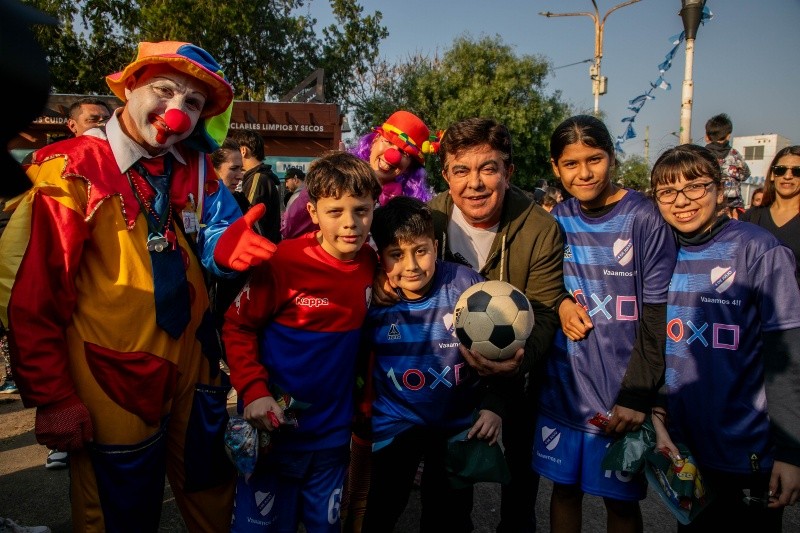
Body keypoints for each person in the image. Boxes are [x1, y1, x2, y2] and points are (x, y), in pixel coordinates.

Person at [0, 41, 278, 532]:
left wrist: (222, 248)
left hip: (195, 361)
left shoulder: (193, 168)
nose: (176, 111)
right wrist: (53, 395)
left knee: (212, 489)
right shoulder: (67, 169)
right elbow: (32, 294)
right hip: (111, 368)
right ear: (129, 87)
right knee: (118, 509)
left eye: (192, 103)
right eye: (164, 90)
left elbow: (215, 229)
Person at [375, 116, 566, 532]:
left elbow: (546, 312)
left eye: (488, 168)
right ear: (446, 174)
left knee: (516, 498)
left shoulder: (540, 230)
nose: (475, 183)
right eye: (461, 170)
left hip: (516, 378)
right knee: (437, 498)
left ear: (508, 171)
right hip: (440, 386)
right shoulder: (431, 219)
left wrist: (513, 368)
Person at [222, 150, 383, 532]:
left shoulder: (373, 265)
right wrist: (253, 389)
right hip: (272, 436)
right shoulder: (282, 261)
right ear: (312, 213)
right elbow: (236, 327)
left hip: (331, 438)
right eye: (335, 211)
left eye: (361, 210)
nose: (350, 224)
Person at [532, 115, 677, 533]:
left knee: (620, 503)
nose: (584, 172)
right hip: (566, 388)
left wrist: (636, 394)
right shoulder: (556, 217)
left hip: (620, 395)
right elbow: (546, 285)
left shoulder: (644, 218)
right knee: (564, 491)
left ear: (611, 158)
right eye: (571, 163)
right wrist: (560, 304)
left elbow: (657, 314)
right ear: (556, 168)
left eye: (594, 159)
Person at [649, 143, 800, 531]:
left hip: (747, 453)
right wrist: (658, 410)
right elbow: (669, 348)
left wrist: (791, 451)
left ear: (719, 189)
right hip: (687, 451)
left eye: (695, 187)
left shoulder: (759, 249)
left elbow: (788, 357)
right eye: (667, 191)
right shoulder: (662, 253)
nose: (681, 201)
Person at [359, 196, 503, 533]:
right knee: (382, 507)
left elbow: (499, 349)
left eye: (420, 251)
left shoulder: (466, 285)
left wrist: (493, 405)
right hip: (396, 423)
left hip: (455, 424)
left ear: (435, 246)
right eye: (396, 255)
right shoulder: (372, 296)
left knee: (449, 515)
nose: (411, 265)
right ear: (381, 258)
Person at [740, 146, 800, 286]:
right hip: (754, 305)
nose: (787, 176)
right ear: (772, 175)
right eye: (780, 170)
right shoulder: (751, 217)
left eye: (797, 171)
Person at [234, 128, 283, 243]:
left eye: (234, 151)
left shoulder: (258, 178)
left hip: (259, 250)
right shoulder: (262, 177)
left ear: (243, 151)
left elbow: (249, 219)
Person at [704, 113, 750, 219]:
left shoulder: (702, 155)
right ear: (728, 136)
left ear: (707, 136)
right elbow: (746, 174)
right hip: (735, 206)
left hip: (711, 205)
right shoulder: (735, 155)